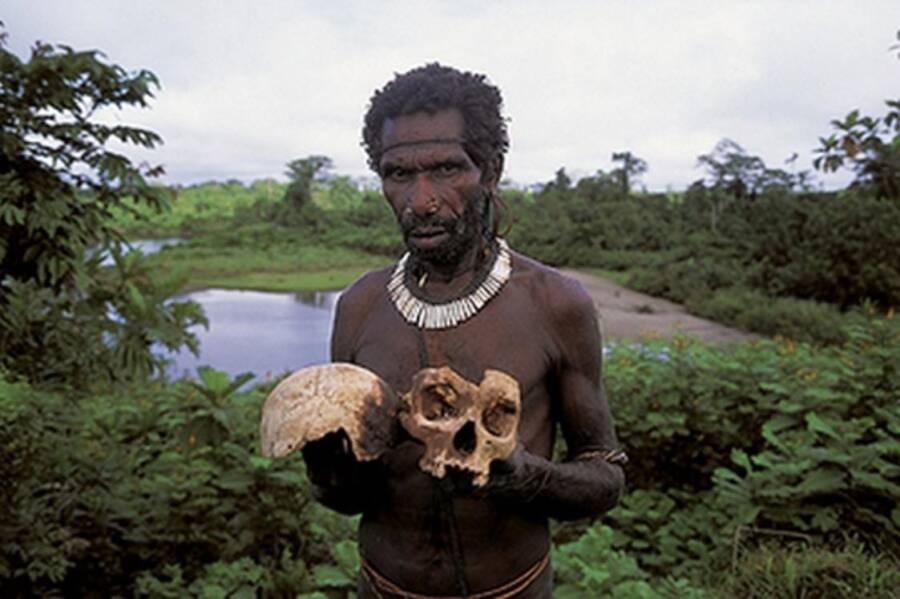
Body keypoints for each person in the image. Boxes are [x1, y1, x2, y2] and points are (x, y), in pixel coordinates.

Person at [302, 63, 625, 598]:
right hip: (382, 589)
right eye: (398, 174)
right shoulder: (360, 307)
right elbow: (352, 498)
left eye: (447, 169)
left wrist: (523, 476)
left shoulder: (555, 304)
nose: (421, 200)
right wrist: (328, 475)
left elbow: (605, 476)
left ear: (491, 170)